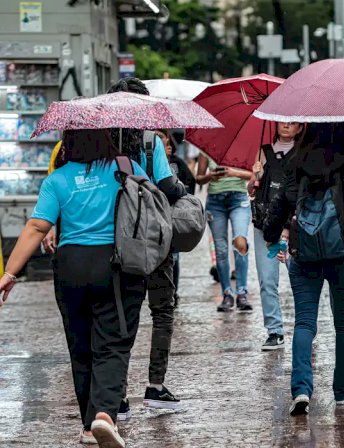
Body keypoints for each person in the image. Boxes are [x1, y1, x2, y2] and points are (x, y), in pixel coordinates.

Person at [0, 129, 149, 448]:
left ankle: (87, 425)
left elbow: (37, 226)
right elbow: (149, 209)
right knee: (113, 340)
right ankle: (104, 415)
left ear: (67, 143)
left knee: (80, 344)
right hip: (115, 263)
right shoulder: (127, 168)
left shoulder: (57, 179)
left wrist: (10, 274)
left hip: (70, 266)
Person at [263, 123, 344, 415]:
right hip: (342, 251)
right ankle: (342, 391)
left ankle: (301, 390)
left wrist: (272, 235)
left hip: (304, 252)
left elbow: (278, 210)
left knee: (304, 322)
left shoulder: (295, 162)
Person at [108, 78, 188, 416]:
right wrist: (182, 188)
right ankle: (155, 386)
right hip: (154, 241)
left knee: (120, 316)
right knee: (162, 310)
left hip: (115, 240)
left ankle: (119, 394)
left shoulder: (101, 142)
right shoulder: (151, 141)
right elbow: (169, 188)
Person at [249, 121, 304, 350]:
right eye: (283, 122)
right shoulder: (264, 151)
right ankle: (274, 330)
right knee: (267, 279)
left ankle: (305, 327)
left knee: (300, 279)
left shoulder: (303, 154)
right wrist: (254, 179)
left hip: (294, 226)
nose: (286, 126)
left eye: (292, 123)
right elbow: (253, 189)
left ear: (300, 128)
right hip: (265, 224)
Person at [195, 154, 255, 312]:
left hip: (239, 199)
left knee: (240, 242)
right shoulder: (206, 148)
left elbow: (254, 174)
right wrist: (210, 176)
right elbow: (199, 178)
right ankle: (227, 294)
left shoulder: (242, 147)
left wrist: (233, 173)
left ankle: (242, 292)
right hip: (215, 202)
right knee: (221, 250)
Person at [155, 129, 196, 308]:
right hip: (153, 215)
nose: (168, 147)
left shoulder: (177, 164)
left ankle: (172, 292)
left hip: (171, 216)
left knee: (173, 256)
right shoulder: (148, 160)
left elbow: (190, 181)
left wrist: (184, 198)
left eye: (168, 143)